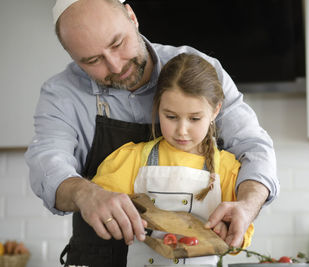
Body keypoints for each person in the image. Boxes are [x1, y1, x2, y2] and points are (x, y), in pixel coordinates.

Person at [24, 0, 279, 266]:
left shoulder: (197, 70)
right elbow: (47, 161)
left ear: (132, 17)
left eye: (117, 44)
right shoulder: (61, 94)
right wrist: (84, 193)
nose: (115, 66)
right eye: (93, 60)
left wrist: (248, 205)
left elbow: (253, 146)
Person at [91, 53, 254, 266]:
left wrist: (230, 233)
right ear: (157, 107)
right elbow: (101, 208)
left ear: (215, 111)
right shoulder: (131, 159)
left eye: (195, 118)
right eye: (171, 117)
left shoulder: (228, 169)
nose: (182, 130)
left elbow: (241, 235)